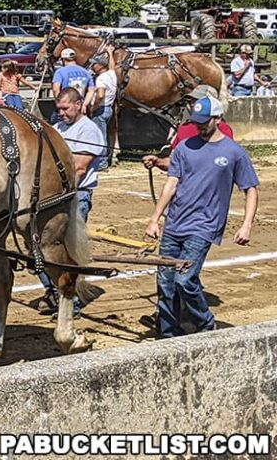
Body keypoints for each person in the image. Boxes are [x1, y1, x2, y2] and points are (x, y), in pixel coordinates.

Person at [144, 96, 259, 338]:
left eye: (204, 122)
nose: (199, 126)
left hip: (204, 226)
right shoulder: (184, 148)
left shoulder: (234, 152)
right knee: (165, 280)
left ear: (217, 119)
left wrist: (246, 225)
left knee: (185, 279)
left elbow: (250, 189)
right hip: (175, 223)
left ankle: (205, 324)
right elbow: (171, 185)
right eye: (196, 122)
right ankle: (167, 333)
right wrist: (155, 218)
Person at [35, 87, 104, 316]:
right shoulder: (58, 128)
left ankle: (70, 301)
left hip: (76, 196)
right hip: (54, 197)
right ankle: (53, 292)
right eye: (59, 109)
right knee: (39, 248)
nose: (61, 113)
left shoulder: (89, 130)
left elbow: (79, 168)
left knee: (65, 249)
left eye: (65, 108)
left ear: (78, 104)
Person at [142, 85, 234, 172]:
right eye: (191, 101)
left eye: (197, 100)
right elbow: (175, 163)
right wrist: (158, 162)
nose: (192, 104)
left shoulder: (223, 129)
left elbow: (225, 162)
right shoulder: (184, 129)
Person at [89, 49, 117, 170]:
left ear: (100, 66)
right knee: (104, 134)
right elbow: (112, 67)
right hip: (108, 108)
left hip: (101, 109)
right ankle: (104, 159)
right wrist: (110, 53)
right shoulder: (111, 75)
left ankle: (102, 162)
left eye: (95, 64)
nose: (93, 66)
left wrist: (93, 107)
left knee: (100, 136)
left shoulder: (101, 79)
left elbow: (100, 95)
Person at [51, 48, 94, 122]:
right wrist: (85, 104)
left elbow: (56, 89)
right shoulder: (85, 72)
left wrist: (59, 103)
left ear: (63, 60)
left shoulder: (60, 72)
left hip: (66, 105)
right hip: (79, 106)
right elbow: (91, 90)